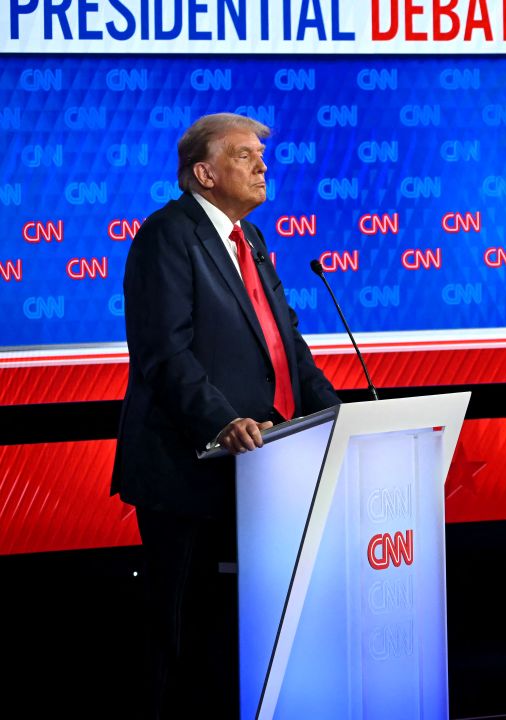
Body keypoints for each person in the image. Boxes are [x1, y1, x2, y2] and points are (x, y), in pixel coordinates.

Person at [111, 113, 341, 717]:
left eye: (260, 155)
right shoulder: (169, 233)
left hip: (260, 468)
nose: (262, 165)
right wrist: (220, 421)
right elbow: (165, 351)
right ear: (204, 173)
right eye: (244, 156)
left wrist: (338, 416)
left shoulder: (251, 241)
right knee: (179, 632)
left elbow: (285, 346)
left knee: (232, 633)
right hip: (189, 471)